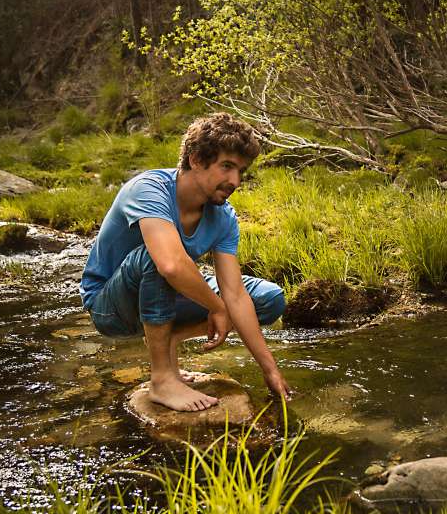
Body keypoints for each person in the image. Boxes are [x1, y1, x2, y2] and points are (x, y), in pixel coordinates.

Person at [79, 113, 292, 412]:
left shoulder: (223, 217)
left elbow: (235, 294)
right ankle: (162, 379)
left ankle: (169, 340)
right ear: (195, 159)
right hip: (111, 307)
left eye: (241, 171)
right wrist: (216, 307)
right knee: (157, 259)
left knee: (268, 299)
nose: (235, 181)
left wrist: (269, 369)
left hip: (165, 298)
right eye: (227, 167)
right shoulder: (148, 188)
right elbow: (170, 265)